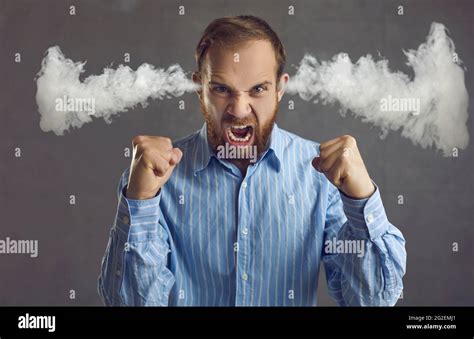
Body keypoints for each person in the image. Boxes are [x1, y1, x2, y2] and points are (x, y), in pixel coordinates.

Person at [98, 15, 406, 306]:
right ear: (199, 89)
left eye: (258, 89)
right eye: (221, 89)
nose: (239, 109)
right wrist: (140, 202)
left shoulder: (321, 177)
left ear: (281, 88)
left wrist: (362, 200)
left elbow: (370, 301)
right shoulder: (156, 180)